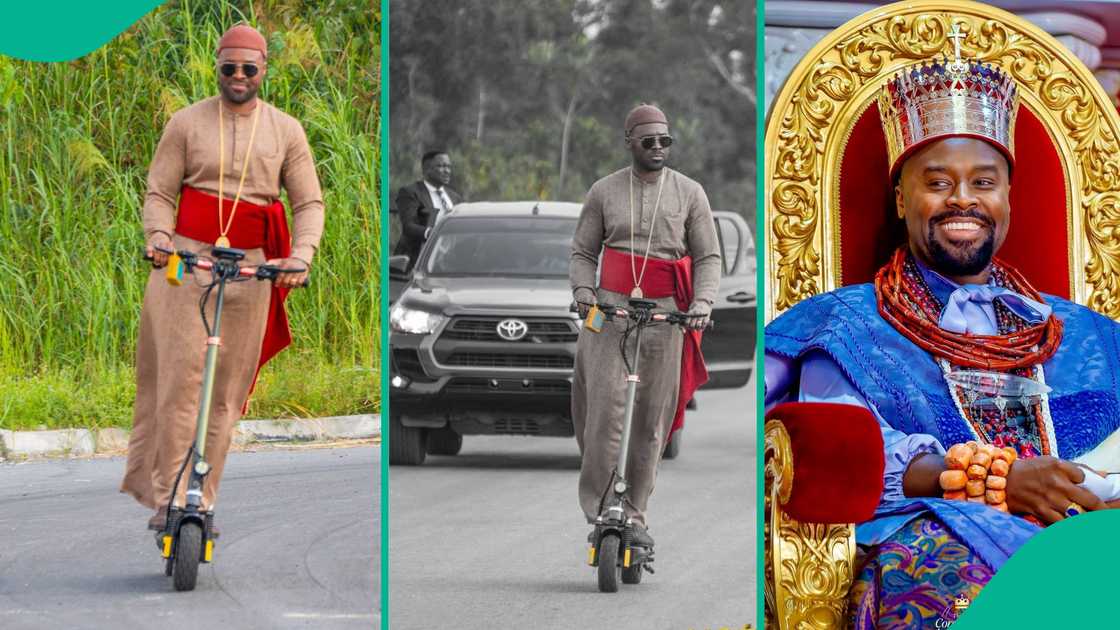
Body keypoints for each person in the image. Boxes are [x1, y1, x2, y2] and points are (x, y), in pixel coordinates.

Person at [764, 56, 1120, 627]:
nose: (962, 199)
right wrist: (995, 481)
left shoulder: (1088, 332)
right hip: (939, 533)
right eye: (937, 183)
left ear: (1007, 198)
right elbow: (847, 453)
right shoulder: (845, 324)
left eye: (984, 182)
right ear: (900, 200)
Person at [120, 24, 324, 534]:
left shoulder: (286, 130)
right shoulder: (186, 122)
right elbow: (160, 193)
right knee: (179, 387)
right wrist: (159, 237)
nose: (238, 76)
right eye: (229, 67)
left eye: (248, 68)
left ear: (263, 71)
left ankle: (202, 499)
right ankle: (170, 498)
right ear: (217, 67)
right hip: (185, 267)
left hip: (253, 271)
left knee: (227, 396)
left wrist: (300, 256)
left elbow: (309, 203)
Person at [570, 104, 720, 548]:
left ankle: (634, 515)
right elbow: (583, 253)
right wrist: (584, 292)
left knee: (651, 422)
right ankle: (602, 510)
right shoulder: (603, 191)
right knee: (602, 415)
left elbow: (708, 257)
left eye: (665, 141)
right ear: (629, 142)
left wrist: (702, 303)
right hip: (609, 314)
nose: (658, 148)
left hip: (666, 317)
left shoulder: (690, 193)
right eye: (648, 141)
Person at [393, 150, 462, 271]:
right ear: (426, 169)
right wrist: (433, 234)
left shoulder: (454, 197)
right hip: (417, 261)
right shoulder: (411, 192)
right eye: (441, 166)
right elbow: (408, 226)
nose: (447, 171)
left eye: (448, 167)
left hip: (450, 262)